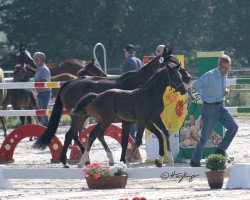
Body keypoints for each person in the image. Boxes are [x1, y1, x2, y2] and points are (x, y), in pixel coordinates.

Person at [189, 54, 238, 167]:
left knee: (233, 127)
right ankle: (194, 161)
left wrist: (226, 89)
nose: (225, 70)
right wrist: (191, 94)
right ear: (218, 65)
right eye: (223, 67)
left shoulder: (224, 74)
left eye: (227, 68)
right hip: (209, 109)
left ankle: (220, 150)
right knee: (205, 137)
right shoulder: (209, 75)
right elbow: (195, 84)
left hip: (221, 107)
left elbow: (224, 86)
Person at [120, 44, 143, 139]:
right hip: (140, 91)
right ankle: (138, 136)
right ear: (134, 52)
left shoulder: (126, 62)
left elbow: (123, 78)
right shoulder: (140, 61)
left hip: (130, 92)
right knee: (138, 115)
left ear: (126, 52)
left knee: (130, 116)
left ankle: (131, 137)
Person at [33, 52, 51, 127]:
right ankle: (44, 129)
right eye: (35, 59)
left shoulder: (44, 69)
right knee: (42, 112)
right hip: (41, 93)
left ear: (42, 60)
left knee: (43, 113)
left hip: (44, 93)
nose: (35, 61)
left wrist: (34, 83)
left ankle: (46, 129)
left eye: (36, 59)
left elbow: (44, 82)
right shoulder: (39, 69)